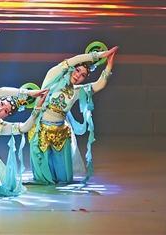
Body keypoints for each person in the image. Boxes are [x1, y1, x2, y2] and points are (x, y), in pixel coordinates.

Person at [29, 43, 118, 184]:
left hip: (61, 134)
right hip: (41, 133)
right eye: (77, 70)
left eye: (83, 75)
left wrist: (109, 65)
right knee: (44, 180)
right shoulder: (52, 77)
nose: (78, 76)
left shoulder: (77, 91)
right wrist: (99, 55)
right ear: (71, 68)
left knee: (64, 179)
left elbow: (99, 85)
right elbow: (73, 60)